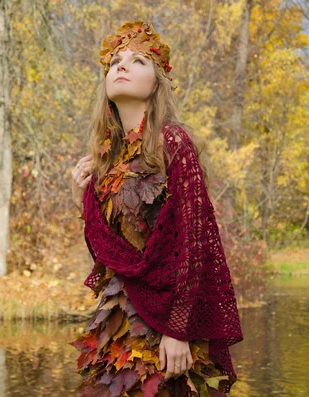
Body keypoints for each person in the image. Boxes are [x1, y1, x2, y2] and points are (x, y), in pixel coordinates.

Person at [69, 21, 244, 397]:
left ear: (157, 82)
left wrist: (177, 331)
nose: (121, 65)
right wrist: (84, 193)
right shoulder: (106, 159)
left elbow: (195, 243)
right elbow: (107, 256)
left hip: (169, 324)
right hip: (117, 320)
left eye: (137, 60)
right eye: (115, 61)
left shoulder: (173, 143)